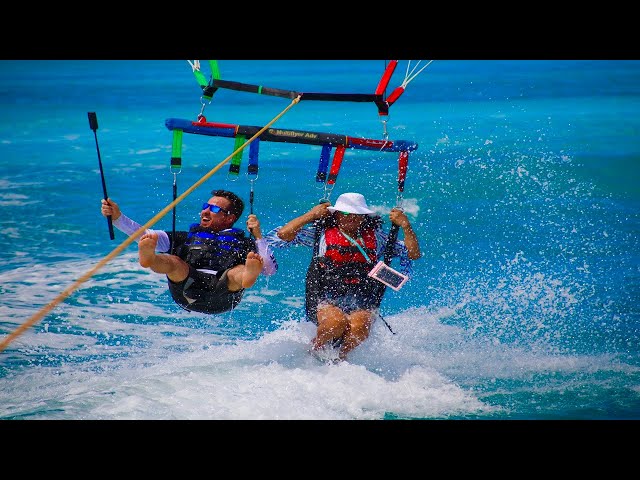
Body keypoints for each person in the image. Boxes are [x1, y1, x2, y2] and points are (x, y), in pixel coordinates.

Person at [267, 192, 420, 361]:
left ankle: (340, 359)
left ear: (364, 217)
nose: (352, 218)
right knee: (335, 323)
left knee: (360, 327)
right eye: (346, 213)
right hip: (324, 296)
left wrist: (405, 226)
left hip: (362, 298)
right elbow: (283, 234)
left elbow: (413, 253)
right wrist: (312, 215)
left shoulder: (377, 237)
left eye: (357, 215)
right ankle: (314, 351)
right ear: (337, 215)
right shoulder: (321, 234)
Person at [100, 189, 278, 315]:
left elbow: (270, 270)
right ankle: (150, 259)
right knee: (174, 262)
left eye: (214, 209)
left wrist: (258, 236)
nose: (205, 211)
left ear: (230, 218)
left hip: (223, 296)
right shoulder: (185, 238)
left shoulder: (244, 244)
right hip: (187, 290)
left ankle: (248, 276)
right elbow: (145, 235)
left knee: (238, 271)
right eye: (205, 206)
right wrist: (117, 217)